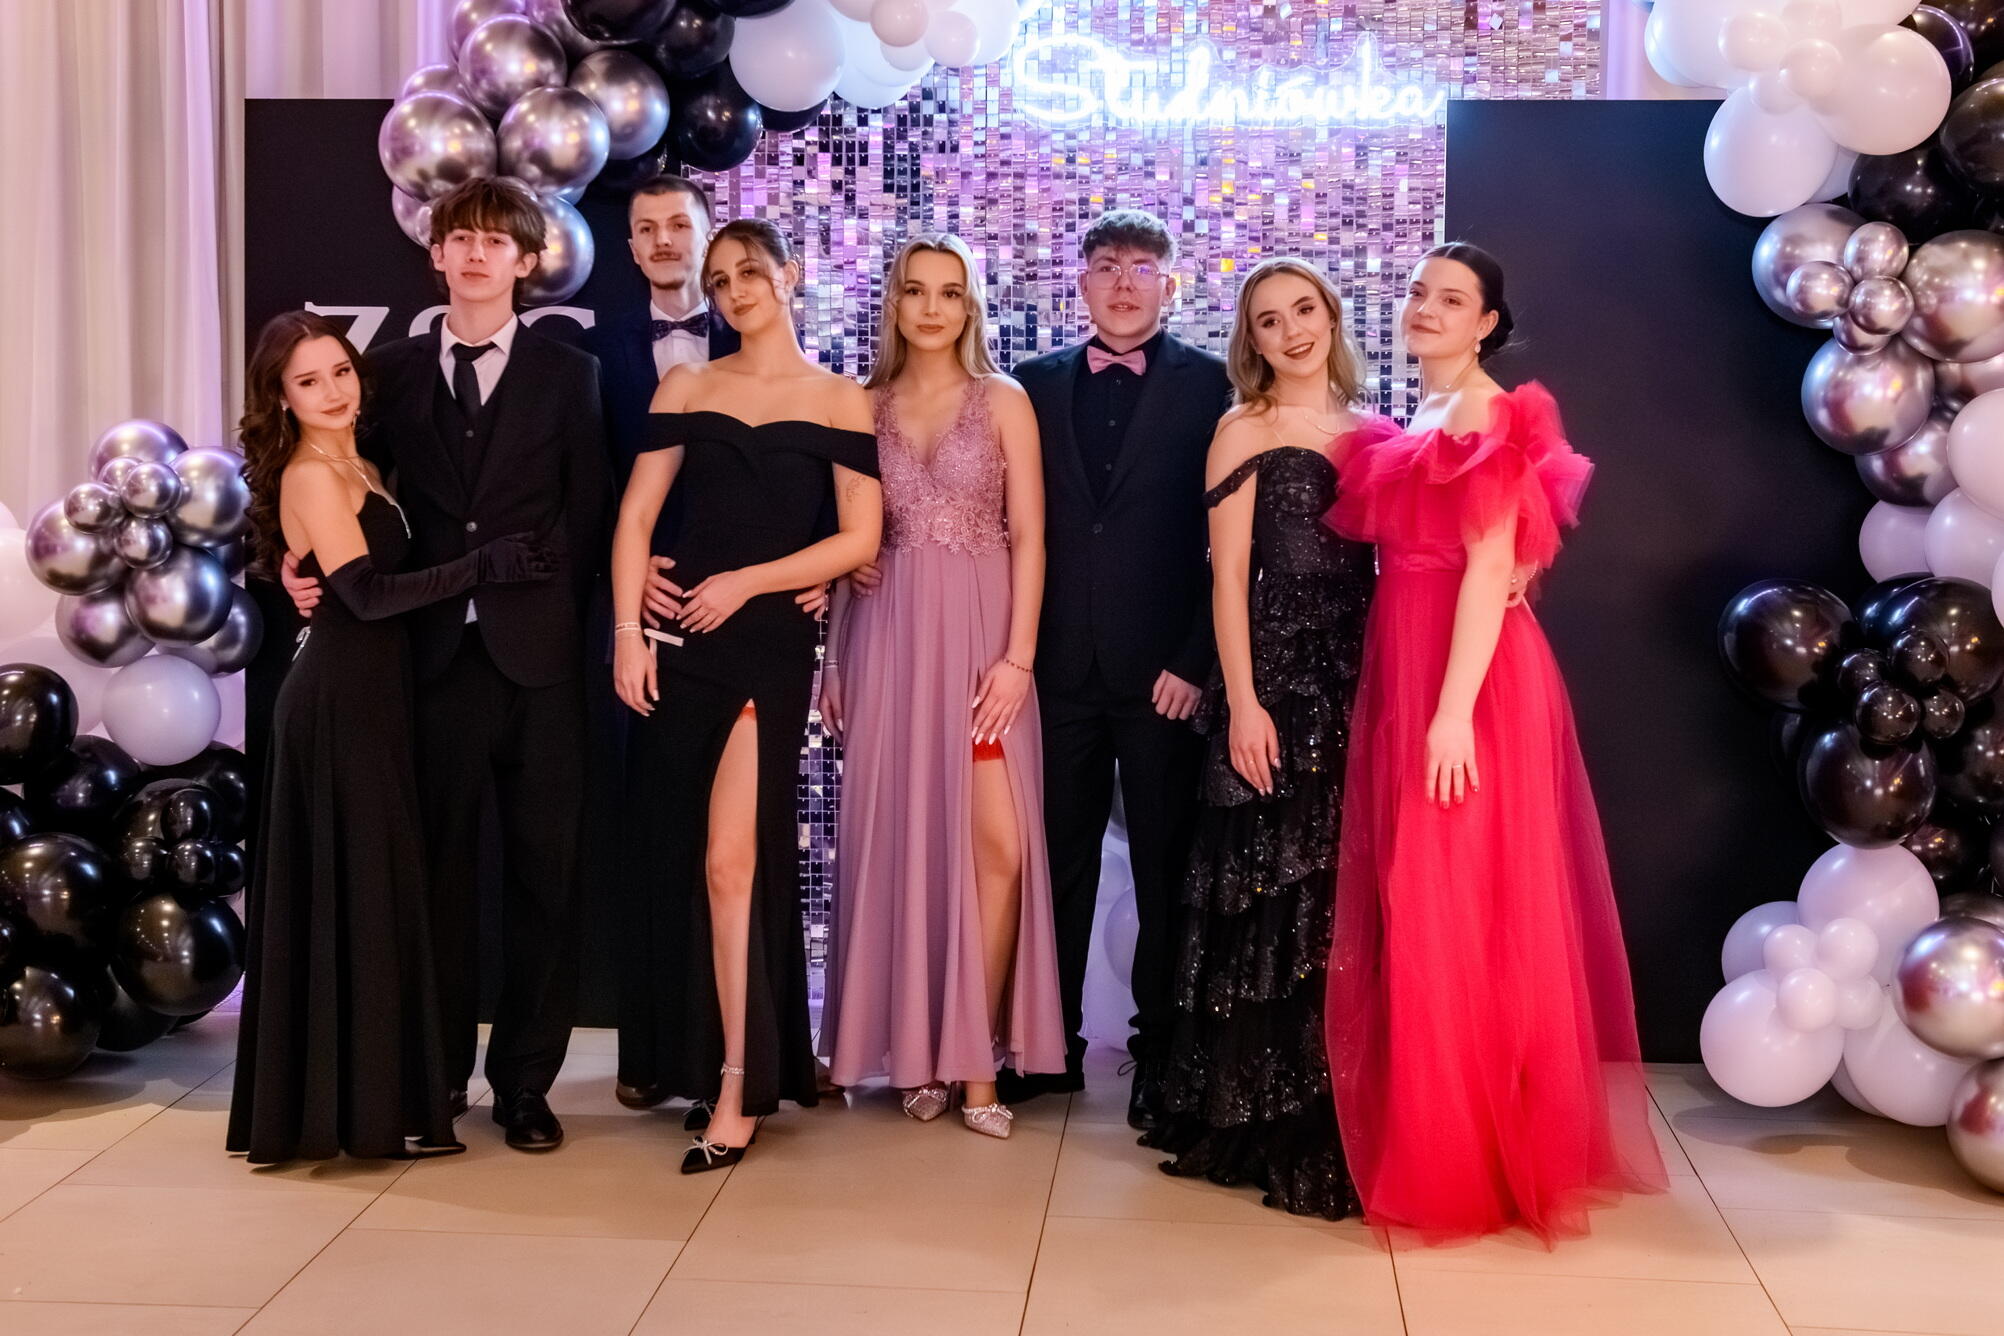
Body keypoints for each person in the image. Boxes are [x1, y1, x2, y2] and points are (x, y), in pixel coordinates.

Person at [1323, 242, 1665, 1242]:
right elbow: (1509, 548)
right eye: (1419, 293)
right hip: (1416, 655)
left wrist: (1450, 712)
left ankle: (1475, 1158)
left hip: (1466, 681)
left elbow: (1484, 567)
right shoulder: (1428, 413)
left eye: (1452, 299)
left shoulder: (1484, 411)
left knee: (1460, 901)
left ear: (1486, 323)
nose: (1427, 308)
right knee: (1439, 902)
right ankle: (1458, 1135)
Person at [283, 178, 610, 1153]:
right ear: (435, 255)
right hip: (427, 665)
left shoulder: (571, 373)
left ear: (526, 261)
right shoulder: (383, 375)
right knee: (437, 879)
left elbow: (588, 516)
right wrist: (288, 563)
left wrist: (570, 635)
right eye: (459, 238)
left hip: (542, 665)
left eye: (495, 241)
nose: (475, 254)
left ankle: (526, 1086)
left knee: (546, 880)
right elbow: (339, 486)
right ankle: (432, 1078)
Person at [229, 311, 553, 1162]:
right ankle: (357, 1113)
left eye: (340, 371)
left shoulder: (362, 463)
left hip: (377, 696)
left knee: (369, 898)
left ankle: (371, 1103)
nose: (333, 391)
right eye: (308, 382)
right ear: (281, 397)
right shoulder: (311, 474)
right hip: (337, 701)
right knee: (356, 900)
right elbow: (368, 596)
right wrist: (480, 567)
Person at [611, 219, 881, 1173]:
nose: (734, 291)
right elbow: (636, 517)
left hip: (767, 647)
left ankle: (739, 1085)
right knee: (678, 858)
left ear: (789, 276)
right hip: (678, 645)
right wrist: (628, 633)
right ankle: (698, 1058)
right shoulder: (688, 385)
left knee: (734, 863)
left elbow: (859, 538)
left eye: (749, 274)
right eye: (720, 280)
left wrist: (752, 583)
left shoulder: (842, 397)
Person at [1138, 259, 1376, 1217]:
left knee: (1336, 893)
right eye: (1269, 321)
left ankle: (1340, 1098)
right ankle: (1261, 1109)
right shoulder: (1243, 428)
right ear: (1253, 341)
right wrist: (1240, 700)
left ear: (1331, 316)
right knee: (1269, 882)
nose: (1292, 331)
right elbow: (1228, 577)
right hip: (1275, 677)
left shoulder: (1377, 433)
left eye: (1303, 310)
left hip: (1361, 674)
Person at [818, 235, 1066, 1137]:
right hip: (885, 634)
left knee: (998, 846)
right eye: (916, 291)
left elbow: (1031, 535)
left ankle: (974, 1057)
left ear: (971, 306)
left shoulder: (1005, 401)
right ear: (893, 301)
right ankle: (917, 1057)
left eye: (950, 292)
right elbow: (849, 544)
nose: (932, 308)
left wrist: (1018, 657)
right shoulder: (860, 404)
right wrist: (832, 657)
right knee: (903, 841)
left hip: (983, 638)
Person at [1010, 210, 1230, 1126]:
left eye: (1143, 267)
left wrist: (1195, 660)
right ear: (1082, 282)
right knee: (1052, 863)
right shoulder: (1030, 385)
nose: (1124, 282)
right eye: (1107, 265)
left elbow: (1234, 546)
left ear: (1170, 284)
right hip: (1055, 668)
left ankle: (1161, 1054)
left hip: (1163, 678)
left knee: (1165, 866)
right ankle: (1046, 1046)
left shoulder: (1214, 384)